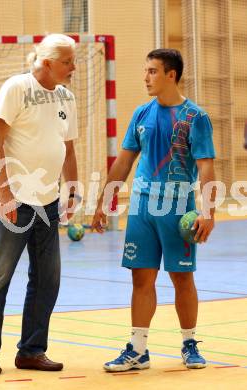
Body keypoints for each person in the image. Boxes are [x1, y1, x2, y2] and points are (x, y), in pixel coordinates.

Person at [92, 48, 216, 371]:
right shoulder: (141, 114)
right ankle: (138, 349)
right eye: (146, 71)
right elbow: (123, 161)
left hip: (177, 208)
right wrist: (105, 200)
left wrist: (209, 212)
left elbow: (206, 168)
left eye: (152, 71)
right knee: (141, 278)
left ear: (171, 75)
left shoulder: (196, 118)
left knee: (182, 277)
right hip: (142, 208)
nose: (146, 77)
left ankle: (189, 343)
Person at [0, 33, 79, 375]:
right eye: (67, 61)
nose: (74, 67)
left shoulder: (66, 97)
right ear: (47, 63)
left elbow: (69, 147)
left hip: (49, 202)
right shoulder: (16, 87)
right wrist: (4, 193)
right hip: (15, 201)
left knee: (48, 279)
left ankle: (32, 350)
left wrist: (72, 189)